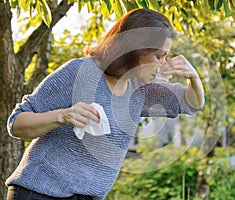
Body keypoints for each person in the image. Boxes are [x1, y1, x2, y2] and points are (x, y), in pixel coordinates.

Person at [6, 8, 205, 200]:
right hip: (38, 192)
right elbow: (16, 124)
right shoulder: (81, 71)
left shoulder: (140, 90)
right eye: (158, 55)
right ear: (136, 49)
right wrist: (63, 116)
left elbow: (191, 103)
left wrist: (193, 77)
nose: (163, 63)